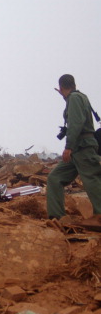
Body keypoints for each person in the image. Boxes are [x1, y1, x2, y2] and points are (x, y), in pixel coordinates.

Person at [47, 74, 101, 220]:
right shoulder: (75, 97)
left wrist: (68, 147)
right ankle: (57, 217)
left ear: (61, 87)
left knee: (92, 179)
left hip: (83, 148)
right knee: (55, 178)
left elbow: (76, 123)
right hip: (77, 150)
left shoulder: (75, 98)